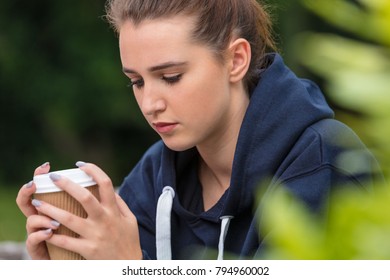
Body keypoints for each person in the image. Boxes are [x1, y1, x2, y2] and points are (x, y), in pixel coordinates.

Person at [16, 0, 382, 260]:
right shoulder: (157, 173)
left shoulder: (324, 165)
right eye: (137, 82)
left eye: (171, 77)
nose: (150, 104)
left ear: (236, 60)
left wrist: (130, 270)